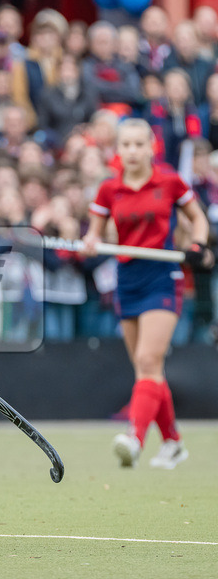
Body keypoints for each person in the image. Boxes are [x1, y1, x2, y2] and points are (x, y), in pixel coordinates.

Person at [81, 119, 214, 469]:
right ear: (117, 150)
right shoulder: (109, 189)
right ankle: (172, 443)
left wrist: (198, 243)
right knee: (148, 369)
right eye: (126, 145)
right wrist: (91, 242)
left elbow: (197, 220)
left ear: (151, 146)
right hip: (128, 280)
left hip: (162, 277)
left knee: (148, 362)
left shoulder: (170, 181)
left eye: (139, 144)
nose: (133, 151)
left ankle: (134, 438)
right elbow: (94, 235)